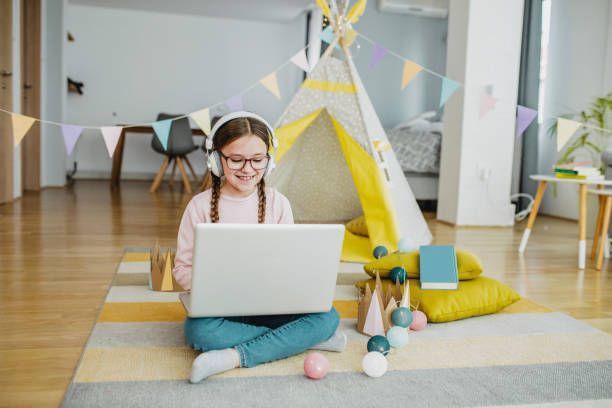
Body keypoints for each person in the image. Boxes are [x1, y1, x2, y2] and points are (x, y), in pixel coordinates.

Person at [172, 111, 346, 383]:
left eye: (257, 160)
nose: (248, 169)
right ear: (216, 160)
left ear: (269, 161)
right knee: (198, 332)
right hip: (221, 306)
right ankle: (300, 340)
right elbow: (181, 270)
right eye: (236, 159)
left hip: (271, 304)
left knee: (329, 317)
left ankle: (233, 357)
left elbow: (288, 264)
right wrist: (215, 279)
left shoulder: (279, 204)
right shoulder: (199, 207)